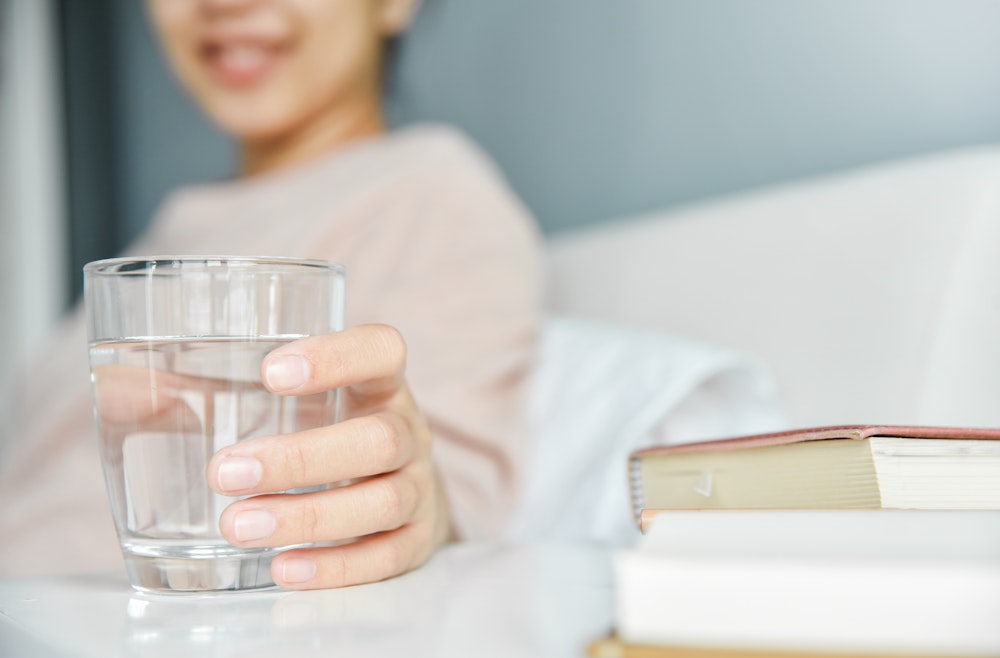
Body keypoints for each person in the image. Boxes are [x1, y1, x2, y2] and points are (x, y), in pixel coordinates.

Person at [0, 0, 543, 590]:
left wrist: (416, 506)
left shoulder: (430, 195)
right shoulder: (165, 233)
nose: (224, 4)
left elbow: (443, 503)